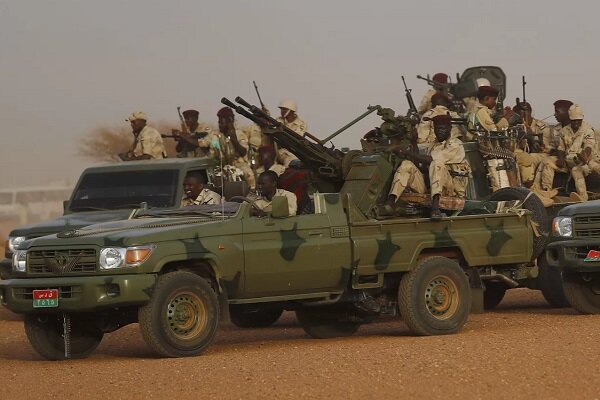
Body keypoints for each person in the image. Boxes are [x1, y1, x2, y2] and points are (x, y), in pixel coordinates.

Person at [387, 114, 470, 218]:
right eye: (437, 128)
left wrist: (406, 152)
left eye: (442, 128)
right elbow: (418, 165)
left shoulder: (455, 144)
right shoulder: (433, 145)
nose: (439, 131)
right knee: (407, 165)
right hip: (432, 187)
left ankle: (435, 208)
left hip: (451, 189)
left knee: (436, 163)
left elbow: (432, 160)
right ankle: (391, 202)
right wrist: (413, 142)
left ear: (449, 129)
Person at [562, 104, 597, 201]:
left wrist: (584, 156)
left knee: (588, 166)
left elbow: (589, 146)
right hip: (570, 160)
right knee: (576, 168)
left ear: (582, 118)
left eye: (578, 120)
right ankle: (583, 198)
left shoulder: (588, 130)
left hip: (586, 159)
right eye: (574, 120)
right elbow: (561, 148)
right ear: (570, 119)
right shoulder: (564, 130)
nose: (576, 122)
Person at [217, 107, 256, 190]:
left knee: (249, 176)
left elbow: (243, 152)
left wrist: (233, 138)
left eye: (222, 122)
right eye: (219, 122)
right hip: (224, 165)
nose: (219, 125)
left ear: (229, 122)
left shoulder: (239, 134)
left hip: (240, 164)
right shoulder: (219, 136)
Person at [275, 99, 307, 167]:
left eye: (284, 109)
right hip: (281, 151)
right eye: (281, 109)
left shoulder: (301, 124)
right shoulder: (278, 120)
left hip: (294, 150)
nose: (282, 111)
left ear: (291, 110)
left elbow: (296, 138)